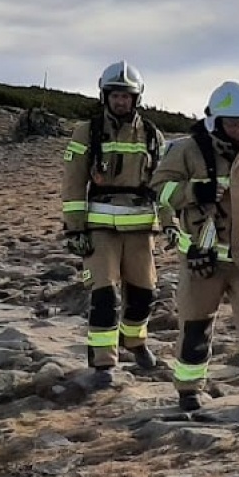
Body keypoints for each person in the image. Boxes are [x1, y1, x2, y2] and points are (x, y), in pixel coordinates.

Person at [151, 80, 239, 413]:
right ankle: (188, 390)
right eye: (233, 123)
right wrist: (193, 192)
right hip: (203, 258)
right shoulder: (185, 150)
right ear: (215, 121)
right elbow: (158, 189)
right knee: (196, 326)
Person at [60, 62, 165, 387]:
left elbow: (164, 182)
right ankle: (103, 364)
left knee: (144, 294)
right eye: (116, 95)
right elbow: (73, 182)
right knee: (105, 296)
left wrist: (171, 221)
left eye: (127, 96)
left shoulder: (151, 134)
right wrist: (75, 229)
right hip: (99, 229)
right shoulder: (87, 132)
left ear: (136, 98)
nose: (121, 102)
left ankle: (135, 342)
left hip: (140, 229)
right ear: (105, 95)